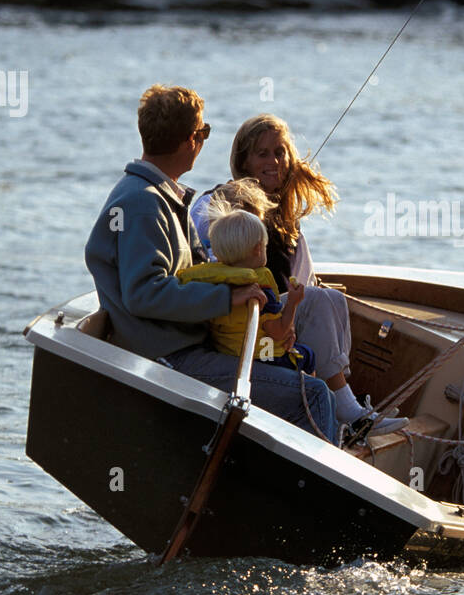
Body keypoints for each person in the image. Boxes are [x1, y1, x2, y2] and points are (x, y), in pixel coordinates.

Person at [84, 85, 338, 443]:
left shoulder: (164, 196)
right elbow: (144, 293)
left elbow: (194, 271)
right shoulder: (141, 204)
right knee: (312, 394)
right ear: (191, 140)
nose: (203, 141)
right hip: (170, 358)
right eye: (203, 132)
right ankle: (317, 494)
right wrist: (227, 299)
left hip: (193, 345)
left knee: (300, 370)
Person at [191, 113, 405, 436]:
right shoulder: (221, 201)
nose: (273, 160)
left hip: (275, 329)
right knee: (320, 300)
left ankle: (346, 406)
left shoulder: (287, 224)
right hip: (243, 334)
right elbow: (202, 242)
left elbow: (304, 281)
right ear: (243, 162)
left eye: (280, 152)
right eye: (262, 153)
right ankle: (350, 412)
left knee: (330, 298)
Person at [178, 207, 315, 373]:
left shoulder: (213, 282)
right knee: (308, 355)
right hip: (264, 357)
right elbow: (277, 333)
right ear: (258, 249)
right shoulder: (258, 287)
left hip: (229, 355)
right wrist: (293, 302)